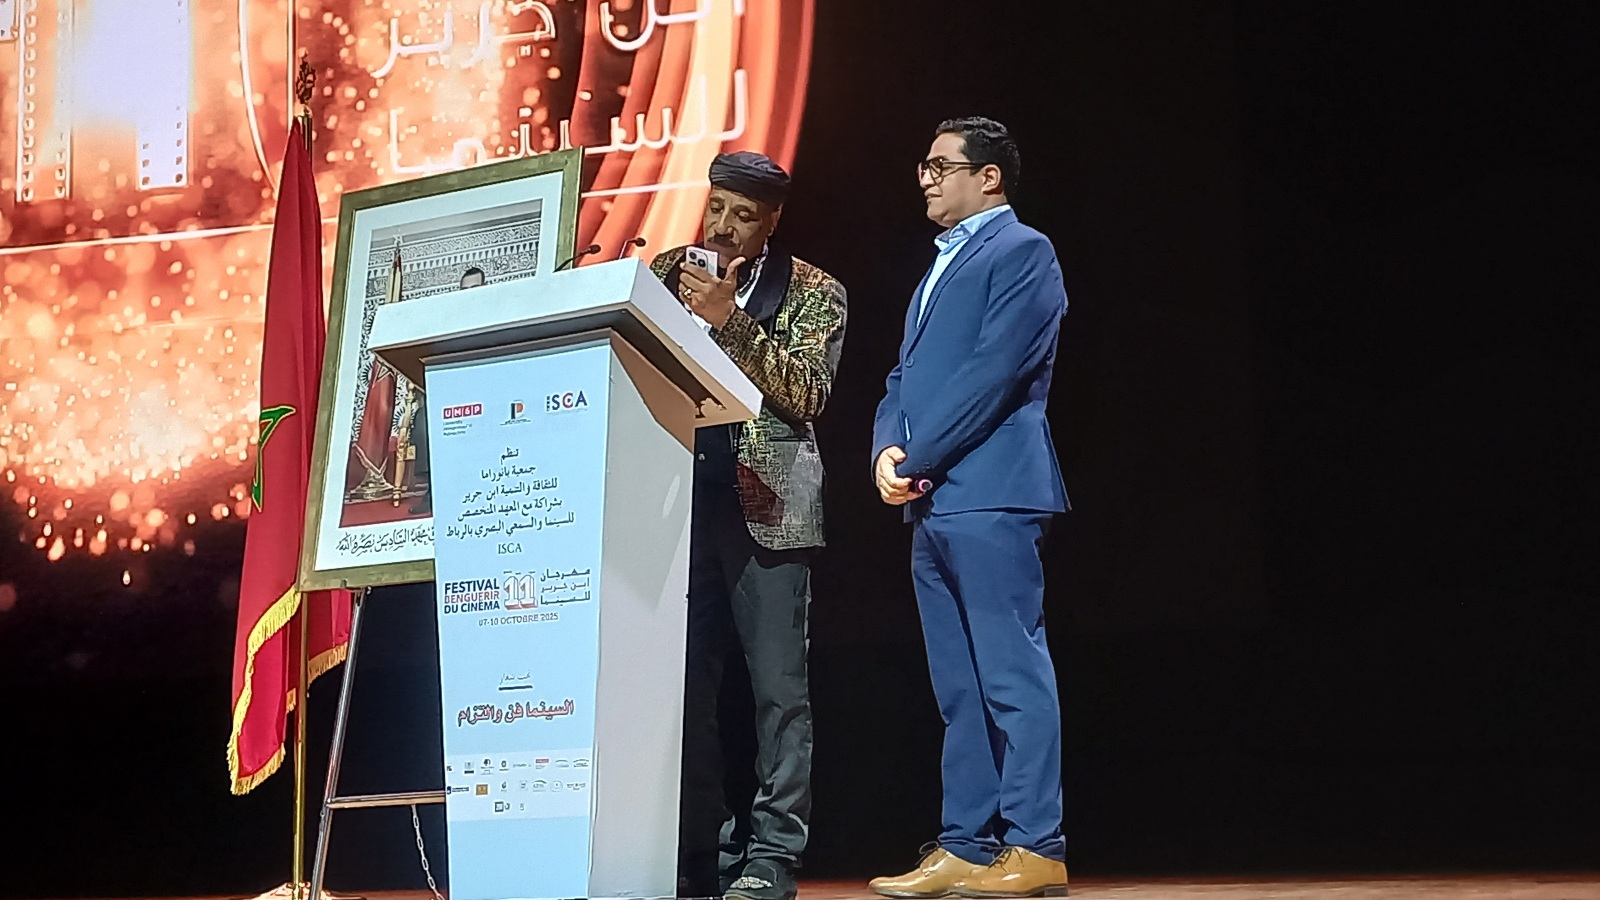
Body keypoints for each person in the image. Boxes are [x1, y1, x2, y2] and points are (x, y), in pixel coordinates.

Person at [868, 117, 1070, 899]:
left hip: (991, 490)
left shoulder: (1023, 251)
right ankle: (965, 844)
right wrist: (886, 452)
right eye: (923, 165)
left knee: (1011, 673)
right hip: (935, 500)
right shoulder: (940, 264)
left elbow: (995, 373)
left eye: (940, 165)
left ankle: (1036, 844)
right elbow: (902, 377)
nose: (925, 177)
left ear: (989, 177)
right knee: (959, 688)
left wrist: (916, 459)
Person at [650, 151, 847, 900]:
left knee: (778, 694)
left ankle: (772, 855)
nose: (724, 226)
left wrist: (728, 321)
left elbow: (807, 393)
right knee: (685, 693)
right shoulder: (666, 272)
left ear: (772, 221)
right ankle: (701, 850)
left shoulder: (814, 289)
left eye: (743, 215)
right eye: (717, 207)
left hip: (770, 511)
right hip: (676, 507)